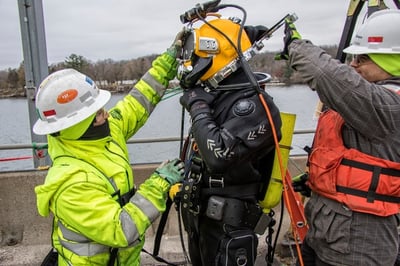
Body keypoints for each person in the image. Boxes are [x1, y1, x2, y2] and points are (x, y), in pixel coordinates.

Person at [33, 30, 186, 266]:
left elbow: (137, 102)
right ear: (77, 125)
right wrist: (159, 184)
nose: (106, 114)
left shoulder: (103, 132)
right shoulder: (70, 184)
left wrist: (168, 61)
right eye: (97, 113)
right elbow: (121, 230)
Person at [276, 9, 400, 266]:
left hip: (360, 246)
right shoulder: (369, 104)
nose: (352, 64)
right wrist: (318, 177)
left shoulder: (389, 106)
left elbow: (329, 76)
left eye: (362, 58)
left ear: (392, 61)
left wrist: (296, 46)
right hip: (328, 234)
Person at [176, 16, 282, 266]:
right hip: (201, 220)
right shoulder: (219, 96)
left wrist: (198, 107)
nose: (191, 63)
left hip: (228, 226)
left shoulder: (256, 106)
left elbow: (218, 155)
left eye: (195, 54)